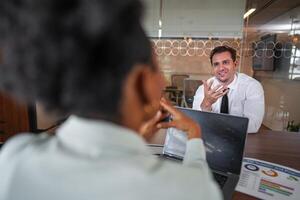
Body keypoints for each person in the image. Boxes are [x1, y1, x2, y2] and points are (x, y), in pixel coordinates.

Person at [0, 0, 222, 200]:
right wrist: (194, 134)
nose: (164, 82)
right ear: (141, 81)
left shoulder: (13, 158)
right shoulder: (186, 189)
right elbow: (200, 183)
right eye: (158, 70)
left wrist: (133, 138)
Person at [192, 45, 264, 133]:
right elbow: (197, 123)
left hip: (242, 140)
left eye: (225, 62)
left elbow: (253, 125)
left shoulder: (252, 86)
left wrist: (212, 123)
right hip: (211, 138)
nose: (221, 68)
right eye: (216, 64)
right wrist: (207, 104)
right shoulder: (204, 88)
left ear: (235, 64)